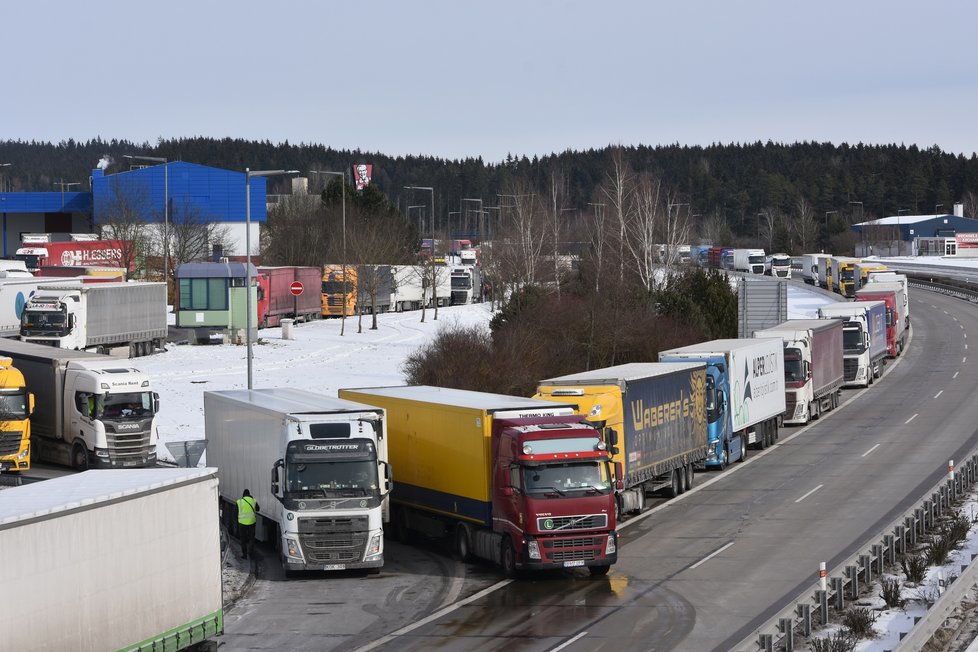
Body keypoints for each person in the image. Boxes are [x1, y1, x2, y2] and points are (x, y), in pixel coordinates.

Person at [236, 489, 260, 559]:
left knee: (243, 540)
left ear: (243, 495)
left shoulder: (239, 502)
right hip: (252, 523)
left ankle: (244, 555)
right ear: (249, 494)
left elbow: (235, 513)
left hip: (242, 524)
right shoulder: (254, 501)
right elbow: (258, 509)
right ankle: (251, 554)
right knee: (251, 539)